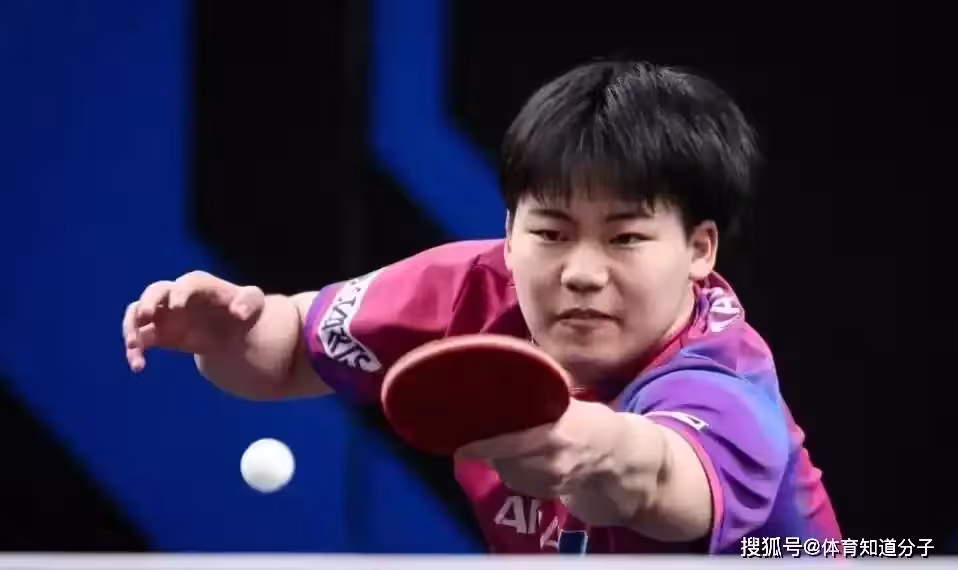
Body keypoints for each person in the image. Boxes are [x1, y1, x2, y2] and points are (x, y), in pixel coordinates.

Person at [122, 60, 841, 554]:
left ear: (699, 249)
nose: (581, 273)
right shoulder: (466, 292)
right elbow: (283, 357)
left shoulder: (722, 382)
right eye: (551, 233)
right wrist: (228, 334)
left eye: (626, 237)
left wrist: (595, 447)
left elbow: (654, 474)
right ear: (509, 230)